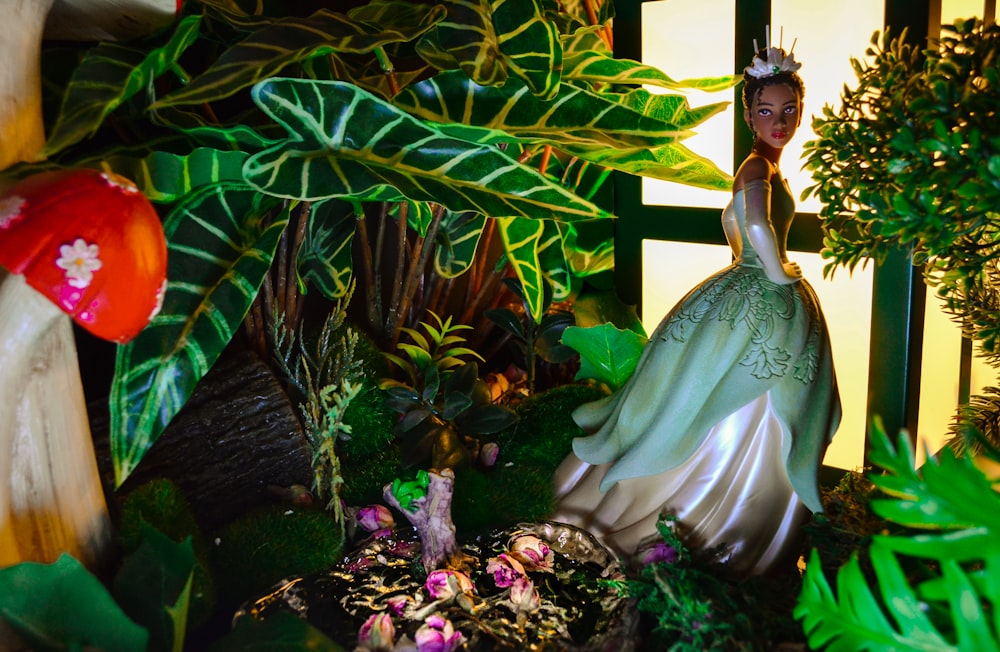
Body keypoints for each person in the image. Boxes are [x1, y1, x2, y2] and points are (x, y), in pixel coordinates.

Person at [550, 42, 841, 576]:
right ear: (750, 115)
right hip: (760, 298)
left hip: (748, 295)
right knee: (728, 404)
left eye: (789, 111)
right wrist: (781, 273)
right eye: (766, 111)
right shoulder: (756, 168)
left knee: (713, 398)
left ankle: (732, 517)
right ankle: (718, 526)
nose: (779, 122)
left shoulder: (766, 165)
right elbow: (755, 225)